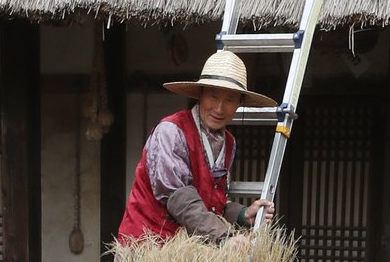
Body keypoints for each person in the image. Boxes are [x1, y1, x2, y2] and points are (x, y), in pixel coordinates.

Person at [117, 50, 277, 246]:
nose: (219, 108)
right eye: (213, 96)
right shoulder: (171, 132)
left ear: (239, 103)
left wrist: (243, 214)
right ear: (200, 94)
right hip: (148, 247)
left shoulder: (228, 142)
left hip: (188, 254)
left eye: (230, 99)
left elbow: (211, 202)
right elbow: (180, 200)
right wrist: (223, 238)